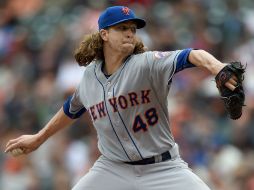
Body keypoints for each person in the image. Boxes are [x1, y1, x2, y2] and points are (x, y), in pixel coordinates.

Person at [5, 5, 238, 190]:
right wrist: (38, 138)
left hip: (164, 168)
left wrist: (217, 67)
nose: (129, 33)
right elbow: (71, 109)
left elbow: (191, 55)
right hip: (112, 169)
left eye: (132, 29)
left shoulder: (146, 63)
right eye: (122, 28)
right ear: (104, 34)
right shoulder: (90, 77)